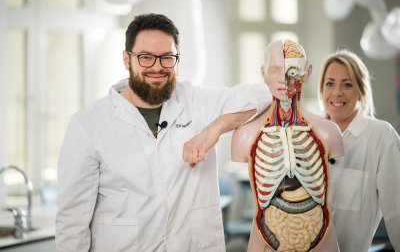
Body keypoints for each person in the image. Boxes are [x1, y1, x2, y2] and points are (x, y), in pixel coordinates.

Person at [55, 13, 273, 252]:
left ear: (177, 59)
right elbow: (72, 224)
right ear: (127, 59)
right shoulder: (88, 125)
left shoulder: (196, 101)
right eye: (146, 57)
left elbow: (264, 93)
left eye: (167, 57)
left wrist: (214, 129)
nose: (157, 67)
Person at [231, 39, 344, 251]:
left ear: (307, 71)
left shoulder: (329, 133)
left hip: (322, 238)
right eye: (275, 70)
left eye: (293, 70)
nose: (284, 79)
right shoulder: (244, 135)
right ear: (263, 73)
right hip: (265, 240)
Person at [319, 49, 400, 252]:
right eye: (330, 83)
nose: (337, 92)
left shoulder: (381, 136)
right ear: (321, 91)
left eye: (347, 84)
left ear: (361, 91)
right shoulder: (309, 135)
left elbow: (397, 212)